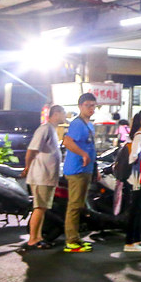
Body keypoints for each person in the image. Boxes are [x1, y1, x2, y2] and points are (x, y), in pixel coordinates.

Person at [19, 105, 65, 251]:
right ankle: (33, 239)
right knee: (39, 208)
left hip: (47, 177)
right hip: (41, 176)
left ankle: (38, 237)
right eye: (63, 113)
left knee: (42, 208)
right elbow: (31, 150)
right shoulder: (45, 129)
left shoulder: (52, 130)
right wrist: (27, 167)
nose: (65, 116)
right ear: (56, 114)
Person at [61, 93, 98, 253]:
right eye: (88, 105)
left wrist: (95, 169)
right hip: (76, 170)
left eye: (93, 106)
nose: (91, 108)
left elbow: (91, 147)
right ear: (80, 106)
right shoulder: (77, 124)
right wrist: (83, 154)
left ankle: (76, 238)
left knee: (80, 205)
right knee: (75, 205)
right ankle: (71, 241)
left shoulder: (89, 124)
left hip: (86, 170)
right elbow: (67, 141)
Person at [123, 109, 141, 252]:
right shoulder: (140, 136)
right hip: (137, 179)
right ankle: (130, 242)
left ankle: (136, 239)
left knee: (140, 210)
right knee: (136, 210)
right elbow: (133, 157)